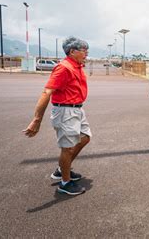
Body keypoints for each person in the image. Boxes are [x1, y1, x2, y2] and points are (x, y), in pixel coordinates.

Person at [23, 36, 91, 196]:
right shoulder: (64, 67)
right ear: (72, 52)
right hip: (65, 111)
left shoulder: (78, 65)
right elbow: (47, 92)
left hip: (77, 110)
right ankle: (65, 183)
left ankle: (62, 169)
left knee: (85, 137)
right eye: (84, 50)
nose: (86, 53)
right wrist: (36, 120)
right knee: (67, 149)